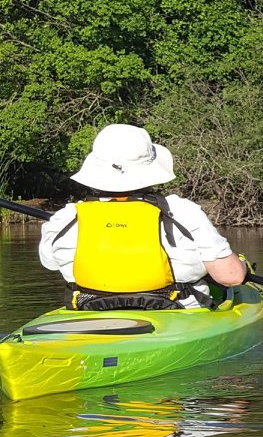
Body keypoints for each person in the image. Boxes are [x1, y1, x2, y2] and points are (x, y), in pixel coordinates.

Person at [38, 124, 248, 310]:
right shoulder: (182, 212)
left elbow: (50, 262)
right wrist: (243, 266)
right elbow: (231, 277)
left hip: (91, 310)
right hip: (176, 312)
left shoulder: (65, 217)